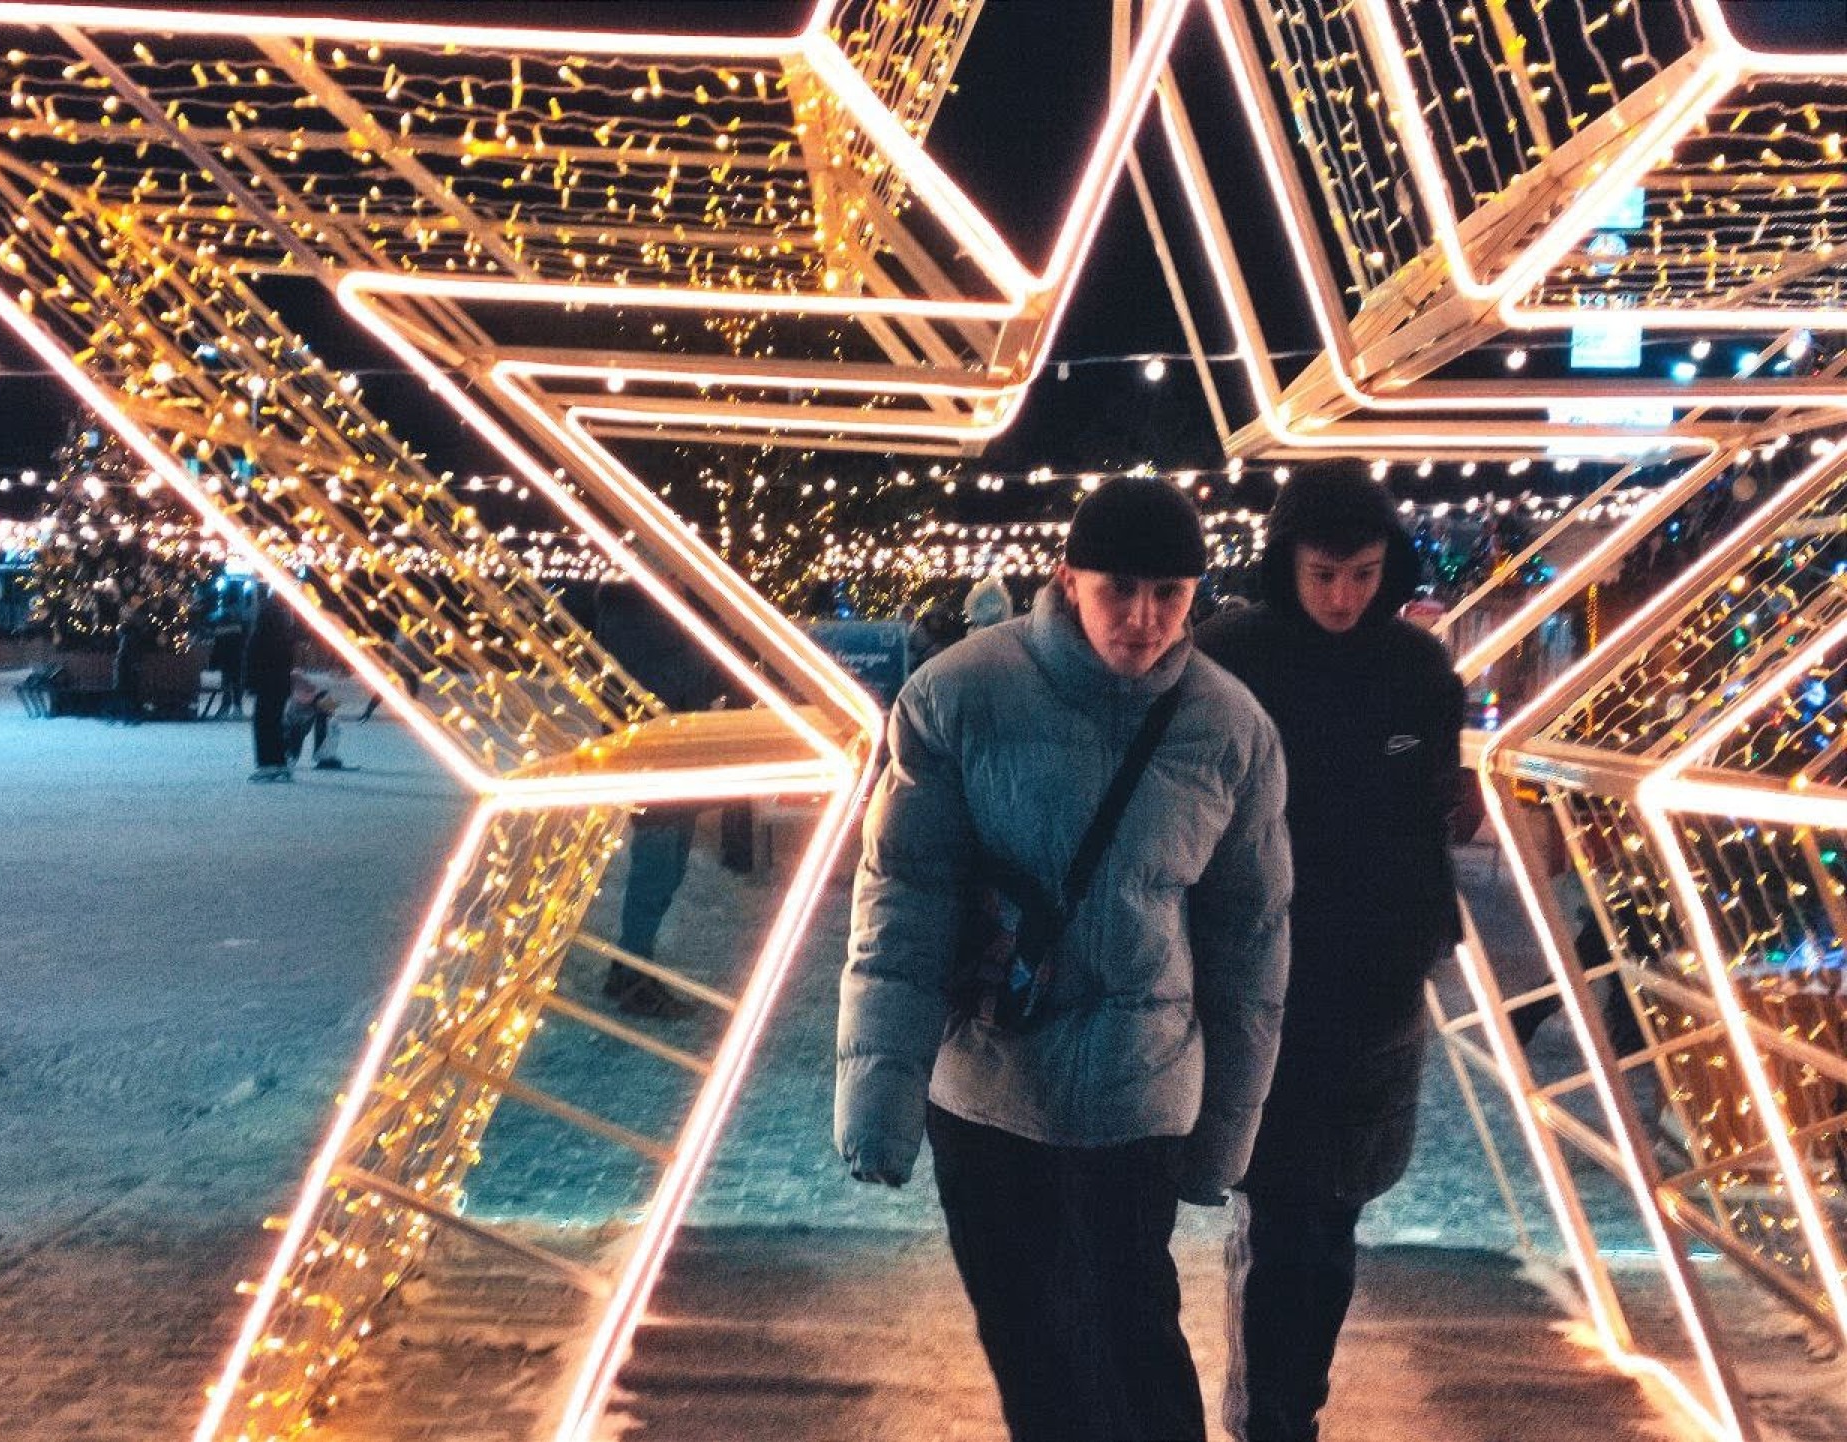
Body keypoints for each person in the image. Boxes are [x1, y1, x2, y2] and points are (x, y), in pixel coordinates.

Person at [837, 475, 1293, 1442]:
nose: (1144, 618)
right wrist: (879, 1103)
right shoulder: (958, 695)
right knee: (1032, 1359)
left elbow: (1249, 939)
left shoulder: (1230, 728)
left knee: (1136, 1358)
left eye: (1170, 594)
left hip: (1138, 1092)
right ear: (1067, 578)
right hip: (988, 1088)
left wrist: (1225, 1135)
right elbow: (904, 903)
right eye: (1119, 588)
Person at [1194, 473, 1463, 1442]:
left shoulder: (1416, 669)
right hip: (1263, 981)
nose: (1344, 595)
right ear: (1287, 564)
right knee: (1281, 1217)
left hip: (1374, 989)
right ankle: (1272, 1417)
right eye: (1323, 574)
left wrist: (1423, 937)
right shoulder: (1230, 659)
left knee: (1332, 1220)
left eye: (1363, 573)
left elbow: (1431, 816)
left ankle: (1292, 1405)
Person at [594, 578, 730, 1019]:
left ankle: (630, 965)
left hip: (676, 761)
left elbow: (693, 685)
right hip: (650, 763)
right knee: (654, 875)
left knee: (667, 873)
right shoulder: (629, 615)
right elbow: (653, 689)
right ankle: (632, 976)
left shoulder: (662, 611)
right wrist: (707, 652)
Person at [244, 587, 297, 782]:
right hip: (280, 683)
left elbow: (254, 655)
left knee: (263, 722)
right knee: (275, 722)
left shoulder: (265, 621)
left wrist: (250, 682)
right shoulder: (284, 627)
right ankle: (280, 762)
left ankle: (267, 764)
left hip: (266, 682)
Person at [283, 671, 346, 770]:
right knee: (294, 730)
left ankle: (325, 755)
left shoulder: (316, 691)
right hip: (295, 713)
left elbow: (332, 709)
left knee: (332, 721)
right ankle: (287, 756)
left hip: (308, 704)